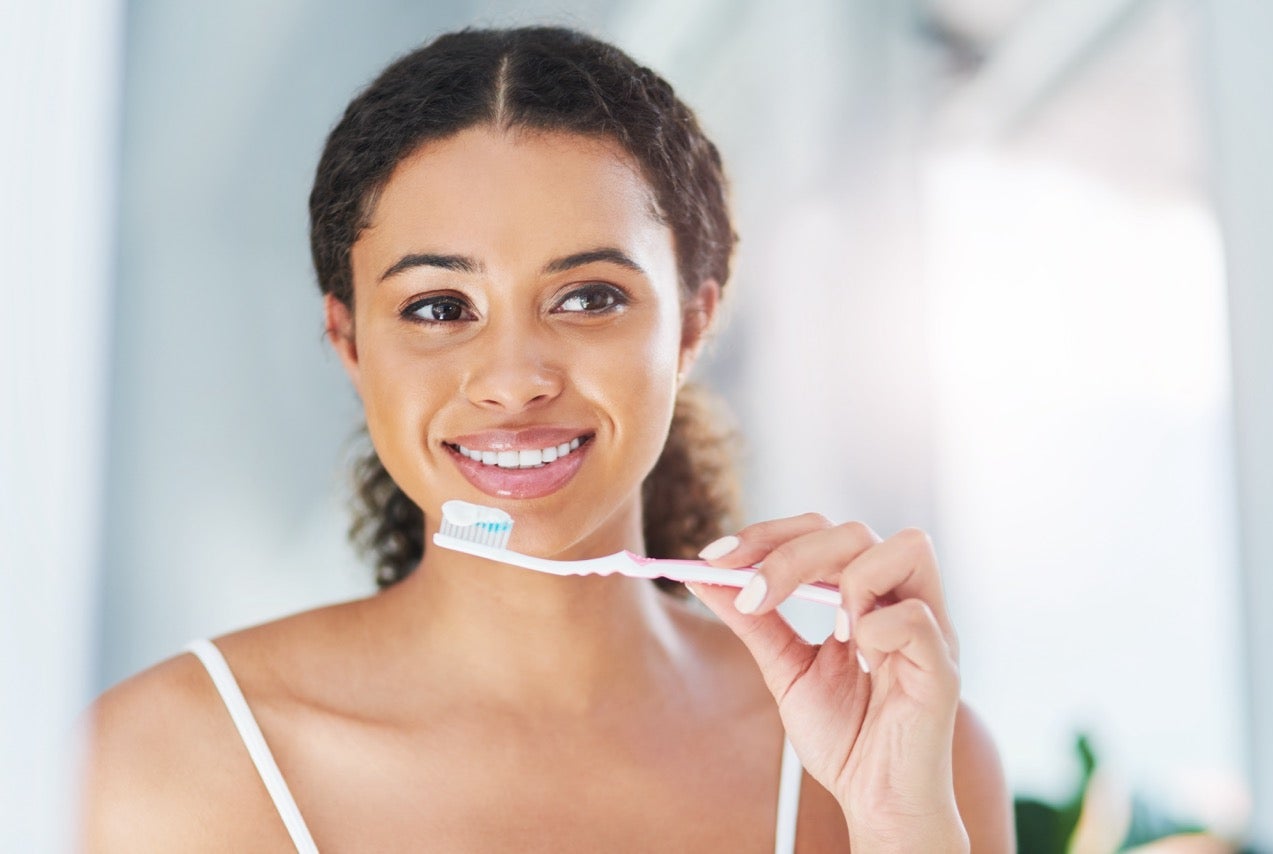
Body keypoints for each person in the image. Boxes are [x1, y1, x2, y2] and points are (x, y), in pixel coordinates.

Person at [80, 26, 1013, 852]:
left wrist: (899, 827)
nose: (515, 378)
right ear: (350, 342)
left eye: (589, 297)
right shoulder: (156, 770)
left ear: (693, 325)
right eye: (440, 307)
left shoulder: (912, 756)